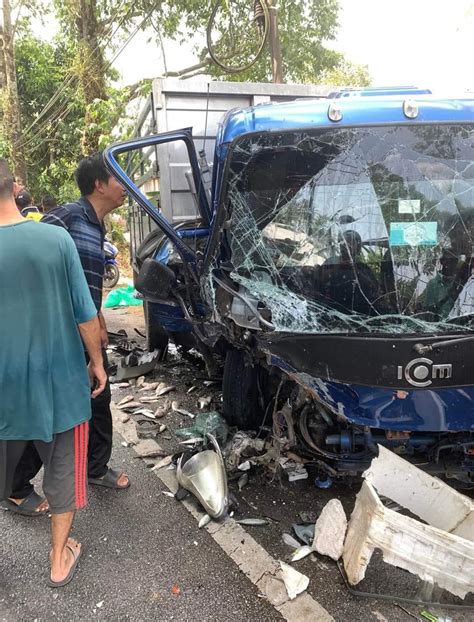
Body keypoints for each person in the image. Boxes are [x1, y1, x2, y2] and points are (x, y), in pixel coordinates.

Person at [0, 159, 107, 586]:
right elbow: (85, 314)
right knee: (62, 473)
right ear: (15, 187)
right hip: (59, 385)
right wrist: (97, 364)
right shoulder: (55, 238)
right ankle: (59, 561)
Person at [10, 152, 130, 501]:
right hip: (62, 334)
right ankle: (15, 487)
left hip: (85, 329)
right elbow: (27, 247)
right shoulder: (69, 215)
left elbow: (87, 284)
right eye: (117, 179)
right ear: (99, 184)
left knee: (97, 399)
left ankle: (95, 468)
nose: (124, 187)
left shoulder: (95, 223)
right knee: (58, 412)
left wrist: (100, 319)